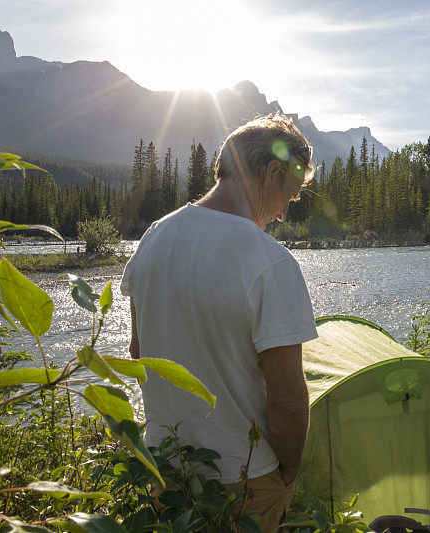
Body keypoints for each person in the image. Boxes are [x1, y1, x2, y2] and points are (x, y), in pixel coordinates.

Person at [121, 114, 318, 532]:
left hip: (165, 472)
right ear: (272, 172)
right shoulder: (271, 263)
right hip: (243, 481)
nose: (284, 213)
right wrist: (287, 472)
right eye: (291, 194)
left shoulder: (153, 237)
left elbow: (138, 354)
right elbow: (286, 400)